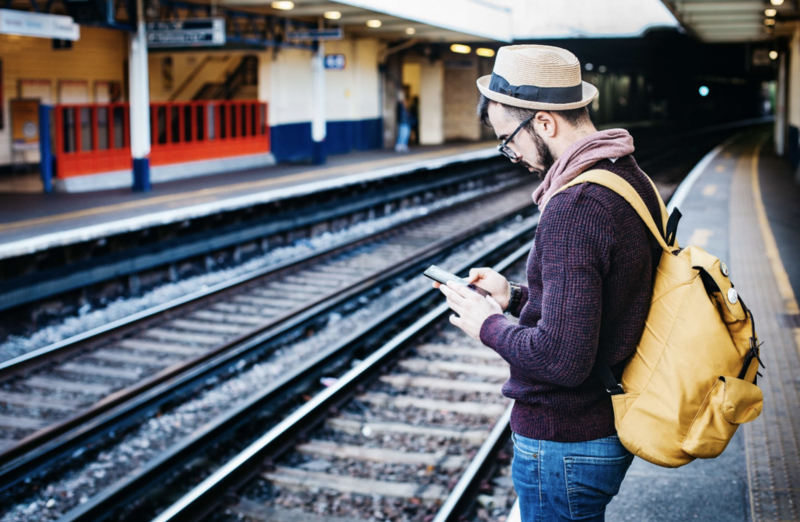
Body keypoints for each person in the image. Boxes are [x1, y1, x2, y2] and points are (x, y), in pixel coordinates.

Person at [434, 44, 664, 521]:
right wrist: (514, 296)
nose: (510, 154)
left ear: (543, 122)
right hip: (599, 425)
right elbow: (603, 302)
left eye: (508, 139)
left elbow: (561, 358)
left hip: (565, 439)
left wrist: (487, 324)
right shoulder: (626, 175)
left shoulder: (574, 207)